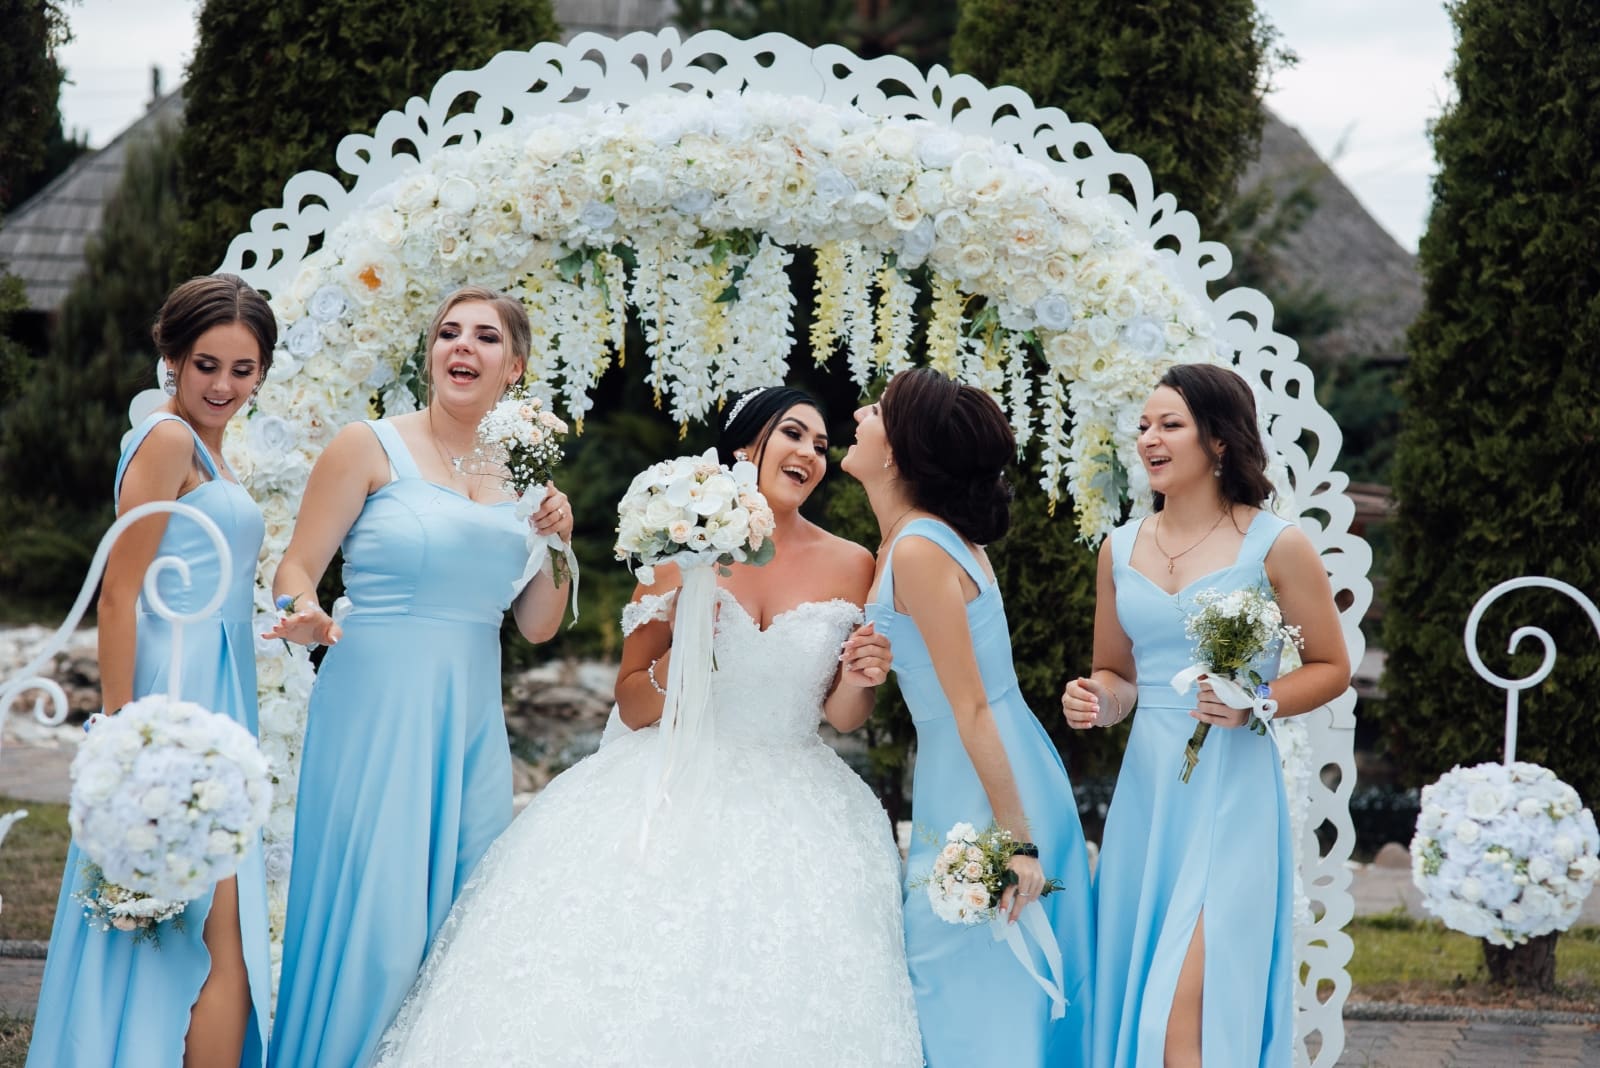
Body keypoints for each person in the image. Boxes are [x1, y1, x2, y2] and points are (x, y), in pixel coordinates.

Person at [371, 386, 923, 1067]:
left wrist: (862, 679)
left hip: (797, 795)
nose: (810, 451)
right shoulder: (679, 546)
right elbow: (632, 702)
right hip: (667, 777)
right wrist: (690, 661)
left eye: (819, 443)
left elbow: (839, 717)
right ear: (746, 446)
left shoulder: (854, 563)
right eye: (793, 434)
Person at [263, 286, 573, 1068]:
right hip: (376, 702)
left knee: (460, 925)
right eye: (448, 333)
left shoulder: (528, 479)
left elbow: (537, 623)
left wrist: (564, 544)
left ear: (515, 367)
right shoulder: (367, 446)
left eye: (485, 338)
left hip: (469, 720)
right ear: (432, 352)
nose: (462, 347)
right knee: (381, 925)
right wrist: (305, 611)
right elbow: (298, 565)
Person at [1061, 362, 1350, 1068]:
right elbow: (1120, 673)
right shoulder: (1119, 548)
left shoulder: (1276, 543)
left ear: (1219, 441)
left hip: (1231, 793)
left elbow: (1331, 668)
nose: (1150, 439)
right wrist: (1097, 700)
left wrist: (1257, 703)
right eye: (1143, 426)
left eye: (1170, 425)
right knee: (1145, 997)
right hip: (1149, 797)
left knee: (1181, 1021)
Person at [27, 275, 277, 1068]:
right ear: (171, 357)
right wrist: (127, 735)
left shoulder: (212, 449)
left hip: (222, 689)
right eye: (207, 365)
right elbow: (119, 596)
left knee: (217, 919)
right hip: (175, 698)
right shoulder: (168, 440)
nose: (224, 385)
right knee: (204, 919)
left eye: (243, 370)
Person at [843, 367, 1095, 1067]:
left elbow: (971, 703)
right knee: (969, 973)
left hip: (984, 781)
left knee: (965, 973)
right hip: (981, 762)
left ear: (898, 451)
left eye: (878, 410)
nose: (861, 413)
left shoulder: (921, 549)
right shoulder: (914, 541)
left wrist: (1018, 843)